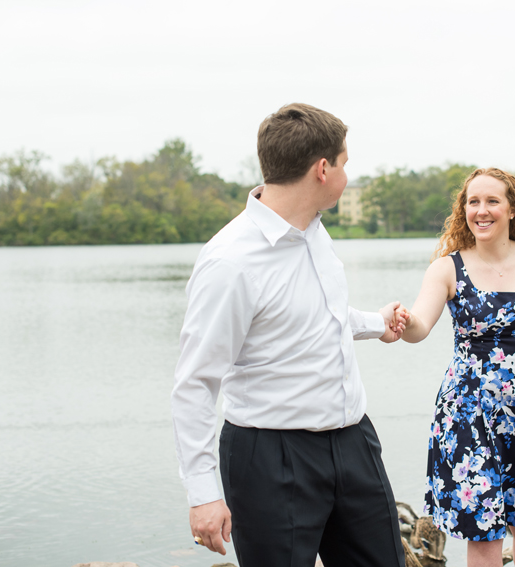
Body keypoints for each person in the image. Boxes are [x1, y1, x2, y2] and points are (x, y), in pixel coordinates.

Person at [171, 103, 408, 567]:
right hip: (271, 458)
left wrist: (378, 324)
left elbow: (319, 320)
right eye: (344, 163)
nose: (345, 173)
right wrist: (203, 494)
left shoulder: (315, 232)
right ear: (323, 169)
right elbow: (195, 382)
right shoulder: (230, 262)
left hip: (354, 442)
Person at [399, 168, 515, 567]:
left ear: (514, 209)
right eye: (473, 202)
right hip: (468, 414)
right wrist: (399, 323)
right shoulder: (447, 268)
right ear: (463, 210)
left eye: (492, 201)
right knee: (481, 531)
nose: (481, 211)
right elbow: (419, 326)